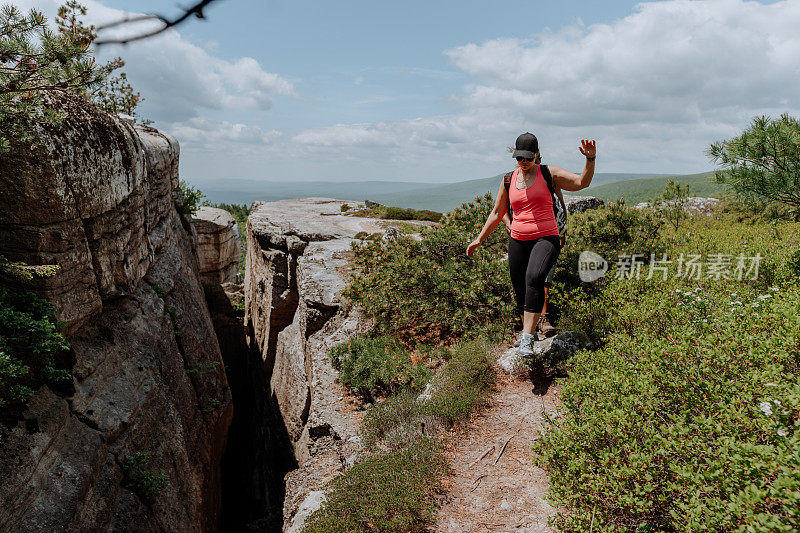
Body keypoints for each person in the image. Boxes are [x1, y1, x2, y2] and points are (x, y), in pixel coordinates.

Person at [466, 132, 596, 356]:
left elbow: (580, 182)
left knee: (534, 278)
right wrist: (479, 238)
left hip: (546, 237)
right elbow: (497, 212)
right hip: (517, 239)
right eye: (519, 158)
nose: (523, 162)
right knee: (520, 287)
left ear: (537, 155)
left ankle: (526, 337)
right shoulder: (509, 179)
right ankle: (531, 331)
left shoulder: (548, 173)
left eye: (527, 158)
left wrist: (590, 160)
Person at [502, 185, 567, 339]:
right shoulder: (512, 182)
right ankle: (527, 328)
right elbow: (501, 208)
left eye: (534, 159)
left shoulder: (548, 179)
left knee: (543, 279)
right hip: (522, 238)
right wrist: (508, 223)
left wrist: (562, 231)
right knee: (524, 281)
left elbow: (560, 207)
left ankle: (543, 319)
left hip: (547, 235)